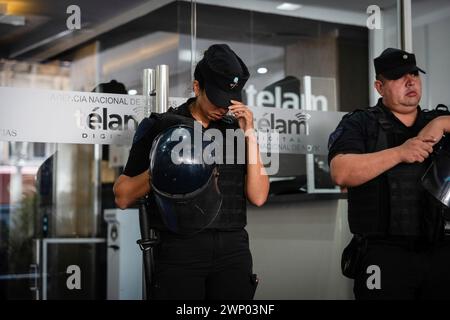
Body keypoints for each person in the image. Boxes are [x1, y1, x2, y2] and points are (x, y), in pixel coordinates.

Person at [113, 44, 269, 300]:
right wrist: (165, 168)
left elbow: (259, 196)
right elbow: (122, 196)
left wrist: (250, 134)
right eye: (216, 99)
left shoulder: (236, 132)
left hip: (233, 249)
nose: (223, 108)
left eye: (229, 102)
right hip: (181, 249)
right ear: (197, 87)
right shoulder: (160, 126)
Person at [328, 47, 450, 299]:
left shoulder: (436, 119)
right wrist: (399, 153)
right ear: (379, 87)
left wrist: (441, 123)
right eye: (398, 77)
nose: (410, 81)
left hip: (440, 249)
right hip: (384, 252)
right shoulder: (360, 123)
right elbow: (341, 172)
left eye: (414, 75)